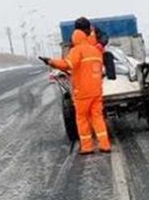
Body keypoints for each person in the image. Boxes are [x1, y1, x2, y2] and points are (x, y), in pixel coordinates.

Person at [39, 17, 111, 154]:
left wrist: (50, 61)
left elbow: (67, 65)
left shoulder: (76, 51)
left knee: (82, 119)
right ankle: (105, 145)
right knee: (98, 117)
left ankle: (87, 147)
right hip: (96, 90)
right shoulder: (95, 51)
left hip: (82, 92)